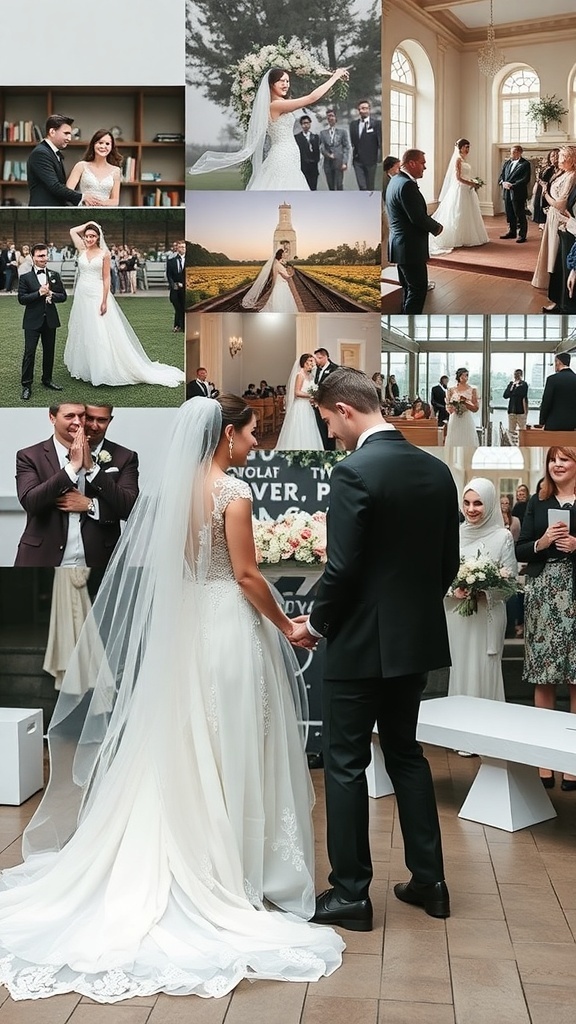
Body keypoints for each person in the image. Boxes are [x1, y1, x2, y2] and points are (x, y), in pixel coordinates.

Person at [0, 395, 344, 1002]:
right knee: (231, 735)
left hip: (185, 628)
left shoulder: (169, 493)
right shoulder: (232, 492)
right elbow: (243, 575)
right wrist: (288, 624)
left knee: (189, 739)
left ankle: (192, 842)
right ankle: (230, 864)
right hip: (227, 626)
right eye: (248, 434)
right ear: (226, 435)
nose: (253, 444)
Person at [290, 368, 460, 926]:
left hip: (358, 644)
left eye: (326, 420)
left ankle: (350, 895)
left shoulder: (353, 472)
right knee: (407, 755)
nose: (329, 432)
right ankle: (431, 884)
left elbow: (341, 569)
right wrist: (409, 615)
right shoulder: (437, 472)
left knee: (344, 764)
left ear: (344, 409)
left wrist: (315, 624)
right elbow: (447, 565)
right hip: (413, 643)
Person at [14, 402, 139, 568]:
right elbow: (31, 502)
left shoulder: (125, 456)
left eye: (82, 416)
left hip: (101, 560)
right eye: (70, 416)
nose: (82, 423)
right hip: (42, 558)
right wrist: (71, 468)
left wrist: (91, 502)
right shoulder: (29, 456)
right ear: (52, 417)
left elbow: (130, 508)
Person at [516, 447, 576, 790]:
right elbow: (520, 548)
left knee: (575, 677)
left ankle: (573, 763)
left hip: (574, 591)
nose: (557, 465)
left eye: (564, 459)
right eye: (553, 459)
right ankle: (544, 761)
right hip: (543, 594)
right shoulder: (536, 501)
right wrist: (542, 541)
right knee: (544, 677)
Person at [189, 65, 349, 190]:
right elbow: (312, 97)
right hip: (282, 155)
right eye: (282, 81)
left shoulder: (278, 103)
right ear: (271, 84)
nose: (286, 84)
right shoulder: (276, 105)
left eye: (288, 81)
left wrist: (328, 75)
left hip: (290, 155)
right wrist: (335, 77)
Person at [64, 222, 184, 387]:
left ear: (98, 237)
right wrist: (89, 224)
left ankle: (104, 367)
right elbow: (72, 230)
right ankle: (88, 366)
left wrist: (104, 300)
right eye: (87, 236)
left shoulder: (104, 254)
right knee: (84, 328)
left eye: (93, 235)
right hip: (82, 295)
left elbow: (106, 278)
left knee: (100, 330)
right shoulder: (82, 250)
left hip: (97, 294)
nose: (89, 238)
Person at [445, 480, 517, 722]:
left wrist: (485, 591)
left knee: (485, 668)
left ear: (490, 503)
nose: (471, 509)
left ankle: (488, 727)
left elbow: (511, 583)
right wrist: (453, 591)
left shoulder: (503, 536)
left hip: (488, 614)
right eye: (466, 503)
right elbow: (438, 575)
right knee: (461, 668)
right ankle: (460, 727)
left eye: (478, 503)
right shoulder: (452, 534)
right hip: (458, 614)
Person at [385, 149, 443, 313]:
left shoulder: (395, 180)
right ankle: (409, 328)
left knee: (408, 289)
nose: (424, 167)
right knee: (418, 290)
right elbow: (417, 217)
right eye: (422, 163)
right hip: (410, 248)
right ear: (411, 163)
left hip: (400, 246)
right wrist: (437, 227)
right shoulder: (407, 185)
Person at [18, 243, 67, 401]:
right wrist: (39, 293)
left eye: (45, 255)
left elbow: (63, 296)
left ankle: (47, 379)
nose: (44, 258)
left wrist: (51, 294)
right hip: (32, 321)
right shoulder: (25, 278)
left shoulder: (54, 275)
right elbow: (22, 299)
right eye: (40, 256)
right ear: (33, 257)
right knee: (29, 353)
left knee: (49, 352)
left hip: (50, 320)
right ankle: (26, 385)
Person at [27, 115, 104, 208]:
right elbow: (54, 186)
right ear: (52, 132)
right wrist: (82, 197)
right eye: (66, 133)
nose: (69, 138)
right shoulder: (41, 153)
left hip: (52, 212)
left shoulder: (51, 152)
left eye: (70, 134)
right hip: (43, 214)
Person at [429, 139, 489, 254]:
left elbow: (465, 175)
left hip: (467, 189)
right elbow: (458, 178)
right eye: (466, 147)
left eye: (468, 147)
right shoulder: (457, 159)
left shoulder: (463, 159)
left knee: (469, 213)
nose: (467, 149)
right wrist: (471, 183)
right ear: (460, 148)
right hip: (460, 189)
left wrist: (473, 181)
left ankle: (469, 236)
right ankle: (457, 237)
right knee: (459, 212)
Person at [532, 146, 576, 290]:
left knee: (556, 253)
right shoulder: (563, 173)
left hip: (559, 218)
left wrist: (545, 193)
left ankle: (557, 289)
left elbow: (560, 205)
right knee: (549, 250)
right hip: (552, 216)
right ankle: (548, 284)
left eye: (563, 157)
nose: (559, 160)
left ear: (572, 160)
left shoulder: (572, 176)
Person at [43, 567, 92, 689]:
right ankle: (70, 672)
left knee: (78, 619)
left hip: (73, 570)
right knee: (68, 621)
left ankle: (78, 673)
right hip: (64, 573)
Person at [275, 354, 323, 450]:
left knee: (308, 429)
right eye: (310, 361)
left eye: (312, 361)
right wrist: (311, 395)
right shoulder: (300, 375)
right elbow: (297, 392)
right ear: (304, 362)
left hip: (307, 406)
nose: (312, 363)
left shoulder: (309, 375)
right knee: (299, 428)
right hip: (300, 406)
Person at [65, 129, 122, 206]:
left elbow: (115, 201)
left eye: (107, 144)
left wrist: (100, 203)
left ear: (111, 147)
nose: (103, 146)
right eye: (100, 143)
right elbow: (68, 192)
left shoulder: (116, 171)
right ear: (93, 145)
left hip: (105, 213)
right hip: (83, 211)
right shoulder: (81, 166)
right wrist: (83, 198)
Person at [241, 248, 298, 312]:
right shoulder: (278, 265)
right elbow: (287, 276)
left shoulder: (276, 264)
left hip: (279, 284)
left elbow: (275, 276)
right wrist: (292, 273)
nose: (285, 254)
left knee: (278, 299)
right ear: (281, 255)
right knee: (282, 299)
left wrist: (273, 285)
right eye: (283, 253)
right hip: (281, 285)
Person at [498, 144, 531, 243]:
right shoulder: (507, 163)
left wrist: (513, 185)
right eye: (511, 152)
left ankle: (522, 235)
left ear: (519, 152)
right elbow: (502, 176)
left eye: (513, 152)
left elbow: (525, 179)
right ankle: (512, 232)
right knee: (509, 213)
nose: (511, 154)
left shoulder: (525, 164)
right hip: (507, 192)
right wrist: (502, 182)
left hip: (518, 193)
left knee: (519, 213)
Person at [349, 100, 381, 191]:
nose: (363, 111)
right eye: (361, 109)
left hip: (371, 161)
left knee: (370, 186)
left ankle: (371, 204)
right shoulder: (353, 125)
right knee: (362, 186)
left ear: (369, 110)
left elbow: (379, 142)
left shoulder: (376, 124)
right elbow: (353, 142)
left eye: (365, 108)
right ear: (358, 111)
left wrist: (378, 157)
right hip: (358, 160)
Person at [539, 352, 576, 430]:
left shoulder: (552, 379)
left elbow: (546, 402)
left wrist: (542, 421)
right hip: (573, 425)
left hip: (554, 424)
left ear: (558, 362)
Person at [445, 368, 479, 449]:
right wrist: (452, 408)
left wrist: (465, 403)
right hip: (455, 417)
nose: (465, 377)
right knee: (454, 438)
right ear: (458, 376)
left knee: (467, 438)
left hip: (466, 417)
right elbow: (448, 405)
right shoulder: (451, 390)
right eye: (463, 375)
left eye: (466, 375)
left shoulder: (472, 390)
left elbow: (476, 408)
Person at [313, 348, 339, 450]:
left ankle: (329, 450)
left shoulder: (335, 369)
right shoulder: (317, 370)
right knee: (320, 430)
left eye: (317, 359)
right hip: (317, 405)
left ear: (324, 357)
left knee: (329, 431)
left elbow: (334, 387)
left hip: (328, 405)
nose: (316, 361)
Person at [319, 109, 350, 191]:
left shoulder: (342, 132)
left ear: (336, 118)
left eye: (332, 116)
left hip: (339, 162)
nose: (330, 118)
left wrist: (344, 162)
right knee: (331, 186)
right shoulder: (323, 133)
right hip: (327, 163)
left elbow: (346, 147)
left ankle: (341, 201)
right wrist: (328, 155)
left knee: (339, 185)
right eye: (328, 116)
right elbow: (321, 148)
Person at [532, 149, 560, 225]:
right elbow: (539, 179)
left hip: (551, 194)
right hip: (541, 192)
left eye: (557, 155)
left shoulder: (560, 170)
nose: (554, 158)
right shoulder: (547, 169)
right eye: (552, 156)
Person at [295, 115, 320, 190]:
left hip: (313, 166)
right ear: (301, 125)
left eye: (307, 123)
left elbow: (317, 150)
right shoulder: (297, 137)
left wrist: (316, 160)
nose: (305, 125)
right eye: (303, 123)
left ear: (310, 124)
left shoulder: (315, 137)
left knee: (313, 187)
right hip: (303, 166)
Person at [503, 369, 529, 442]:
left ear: (521, 375)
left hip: (521, 410)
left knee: (522, 430)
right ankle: (512, 444)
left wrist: (516, 388)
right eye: (515, 374)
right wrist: (512, 387)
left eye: (518, 374)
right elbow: (505, 395)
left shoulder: (524, 384)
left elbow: (522, 394)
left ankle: (523, 444)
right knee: (511, 430)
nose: (516, 376)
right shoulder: (511, 384)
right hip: (512, 410)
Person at [166, 239, 186, 332]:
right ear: (177, 248)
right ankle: (178, 325)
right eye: (180, 247)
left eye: (183, 247)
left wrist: (184, 284)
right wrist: (173, 284)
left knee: (183, 307)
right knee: (177, 307)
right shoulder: (171, 261)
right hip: (175, 289)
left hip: (185, 289)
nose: (182, 249)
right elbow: (169, 275)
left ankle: (181, 326)